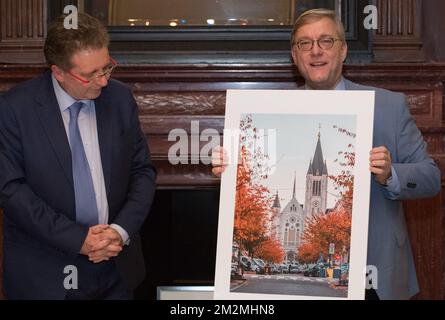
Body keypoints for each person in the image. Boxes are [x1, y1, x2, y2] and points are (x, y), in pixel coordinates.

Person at [211, 9, 441, 300]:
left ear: (343, 50)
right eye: (304, 43)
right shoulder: (266, 111)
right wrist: (229, 170)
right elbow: (249, 179)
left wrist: (390, 174)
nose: (315, 51)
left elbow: (431, 177)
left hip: (375, 272)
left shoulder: (389, 107)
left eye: (326, 41)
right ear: (294, 56)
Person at [0, 13, 157, 299]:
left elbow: (142, 172)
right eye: (90, 75)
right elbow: (11, 191)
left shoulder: (120, 99)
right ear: (58, 72)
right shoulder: (13, 110)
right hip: (45, 273)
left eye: (106, 67)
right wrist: (79, 239)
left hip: (116, 269)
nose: (103, 81)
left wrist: (119, 231)